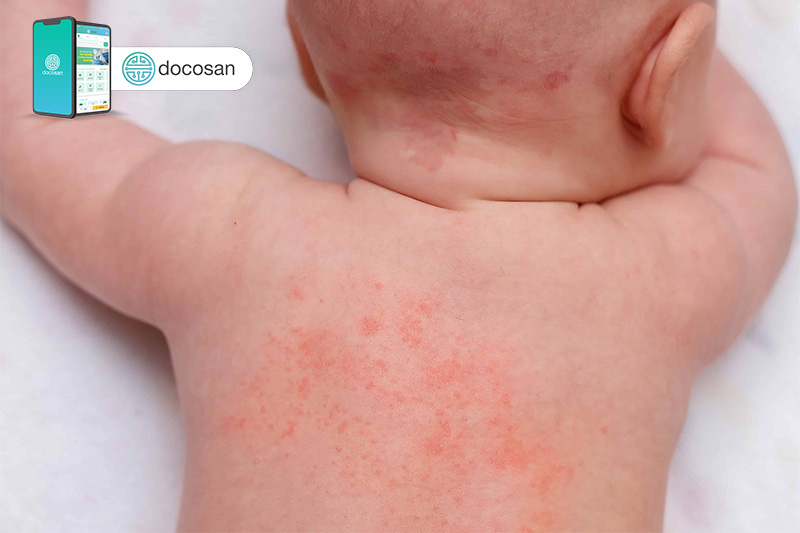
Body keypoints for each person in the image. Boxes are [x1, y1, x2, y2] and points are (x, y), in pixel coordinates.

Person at [1, 0, 795, 530]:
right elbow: (757, 169)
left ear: (303, 56)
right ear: (664, 76)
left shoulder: (235, 234)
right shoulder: (660, 278)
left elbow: (37, 117)